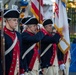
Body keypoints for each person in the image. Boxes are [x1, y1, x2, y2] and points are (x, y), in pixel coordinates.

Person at [3, 9, 24, 75]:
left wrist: (21, 70)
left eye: (17, 20)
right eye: (14, 20)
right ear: (7, 21)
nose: (16, 22)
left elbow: (20, 54)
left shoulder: (18, 35)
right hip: (6, 71)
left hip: (17, 71)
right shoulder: (2, 35)